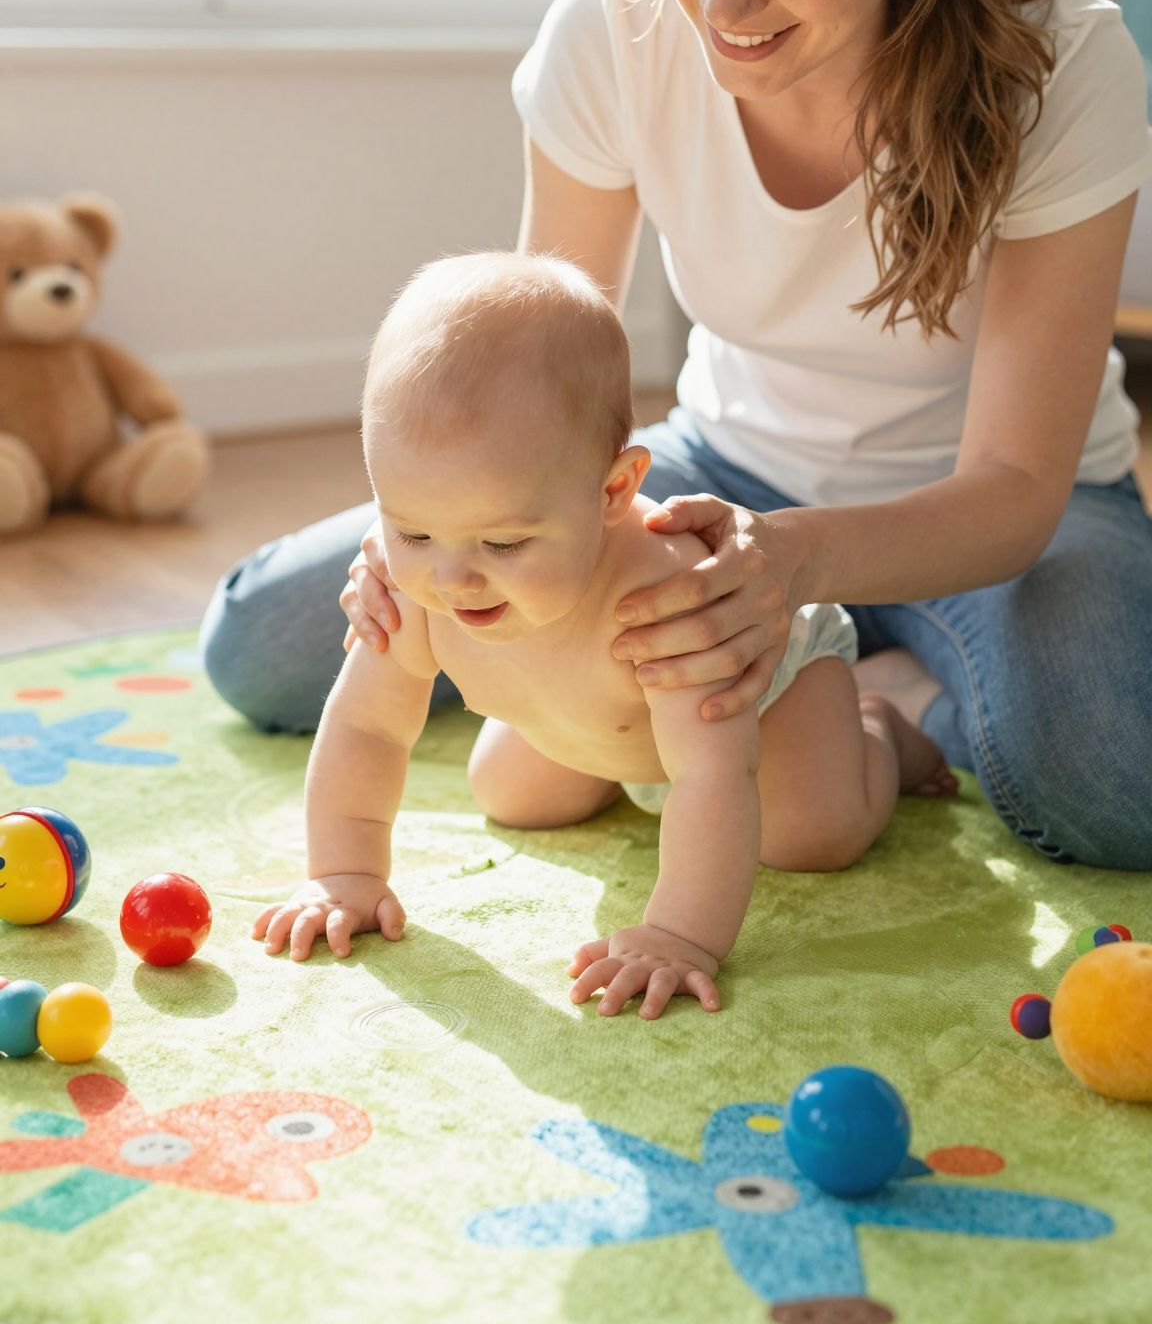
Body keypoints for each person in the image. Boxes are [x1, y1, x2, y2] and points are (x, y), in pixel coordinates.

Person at [202, 0, 1152, 870]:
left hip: (993, 522)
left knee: (1111, 790)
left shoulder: (1064, 59)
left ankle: (888, 699)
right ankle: (818, 668)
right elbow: (540, 361)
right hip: (719, 478)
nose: (720, 5)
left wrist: (798, 562)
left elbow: (1017, 486)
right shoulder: (615, 25)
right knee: (267, 648)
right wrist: (433, 545)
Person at [254, 254, 956, 1017]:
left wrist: (679, 935)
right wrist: (344, 872)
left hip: (760, 700)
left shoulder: (670, 602)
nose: (452, 580)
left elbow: (709, 779)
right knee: (512, 797)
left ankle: (883, 723)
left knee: (810, 835)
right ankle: (616, 761)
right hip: (603, 723)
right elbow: (367, 726)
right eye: (413, 528)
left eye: (504, 544)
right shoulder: (411, 584)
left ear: (613, 490)